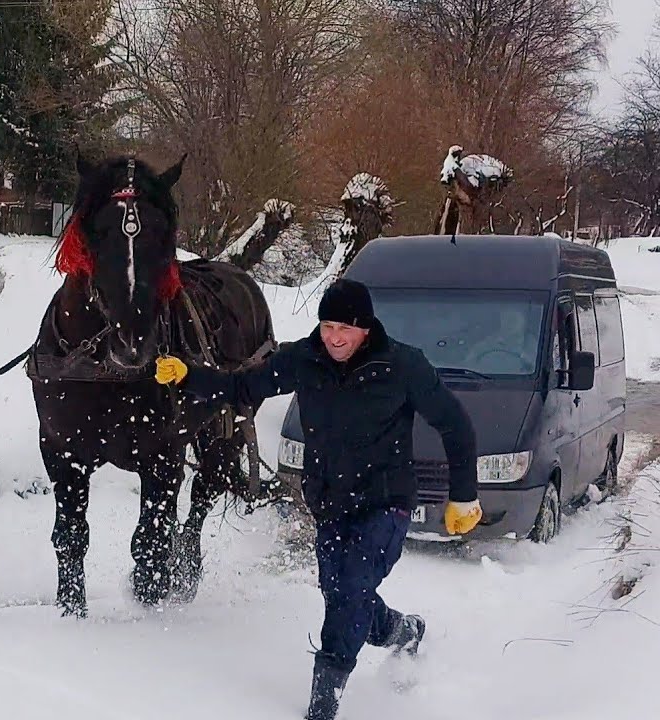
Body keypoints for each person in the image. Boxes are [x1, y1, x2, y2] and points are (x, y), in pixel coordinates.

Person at [154, 278, 482, 720]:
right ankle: (402, 630)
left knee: (349, 593)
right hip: (329, 504)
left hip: (386, 503)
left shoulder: (403, 366)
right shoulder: (304, 359)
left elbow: (455, 425)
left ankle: (322, 707)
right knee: (344, 594)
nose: (334, 337)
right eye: (327, 325)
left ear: (366, 327)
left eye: (344, 327)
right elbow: (243, 389)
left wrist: (463, 495)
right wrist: (189, 375)